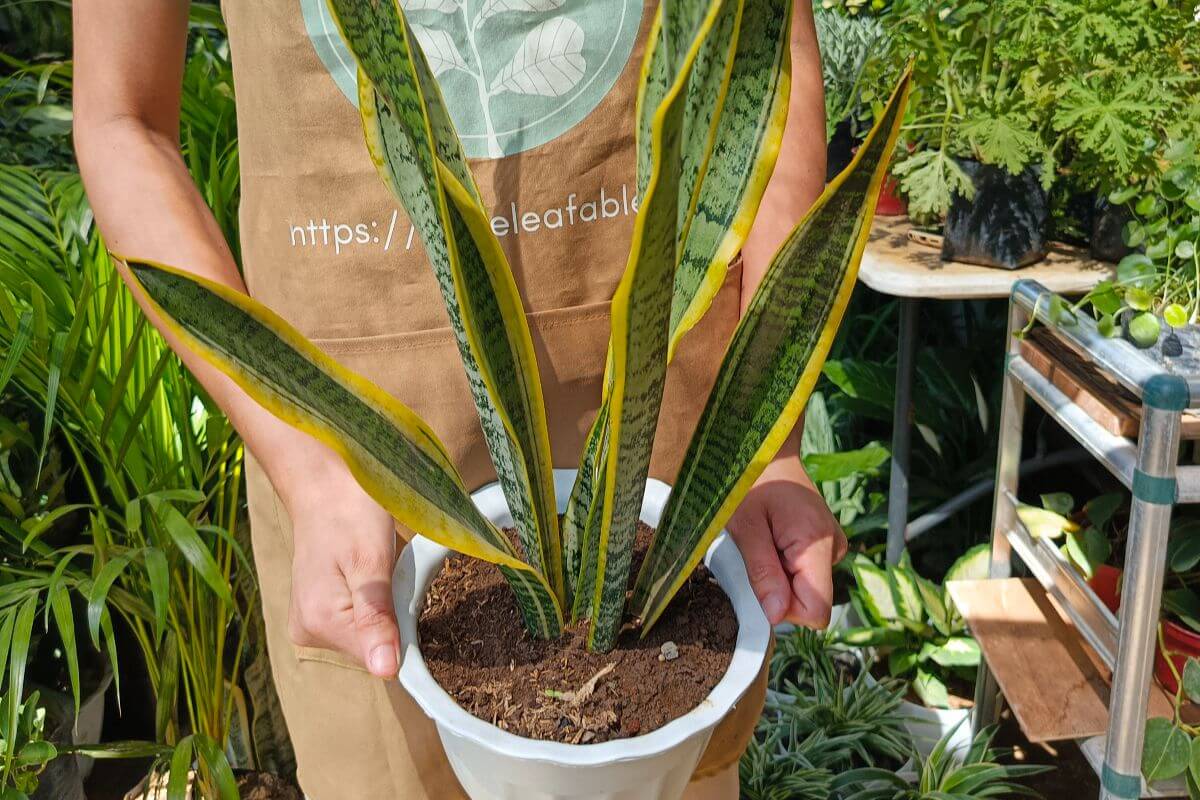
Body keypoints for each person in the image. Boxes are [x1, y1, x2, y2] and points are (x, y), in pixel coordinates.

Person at [73, 1, 846, 797]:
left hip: (673, 494)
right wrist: (307, 472)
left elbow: (765, 50)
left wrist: (764, 443)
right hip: (355, 492)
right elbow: (121, 119)